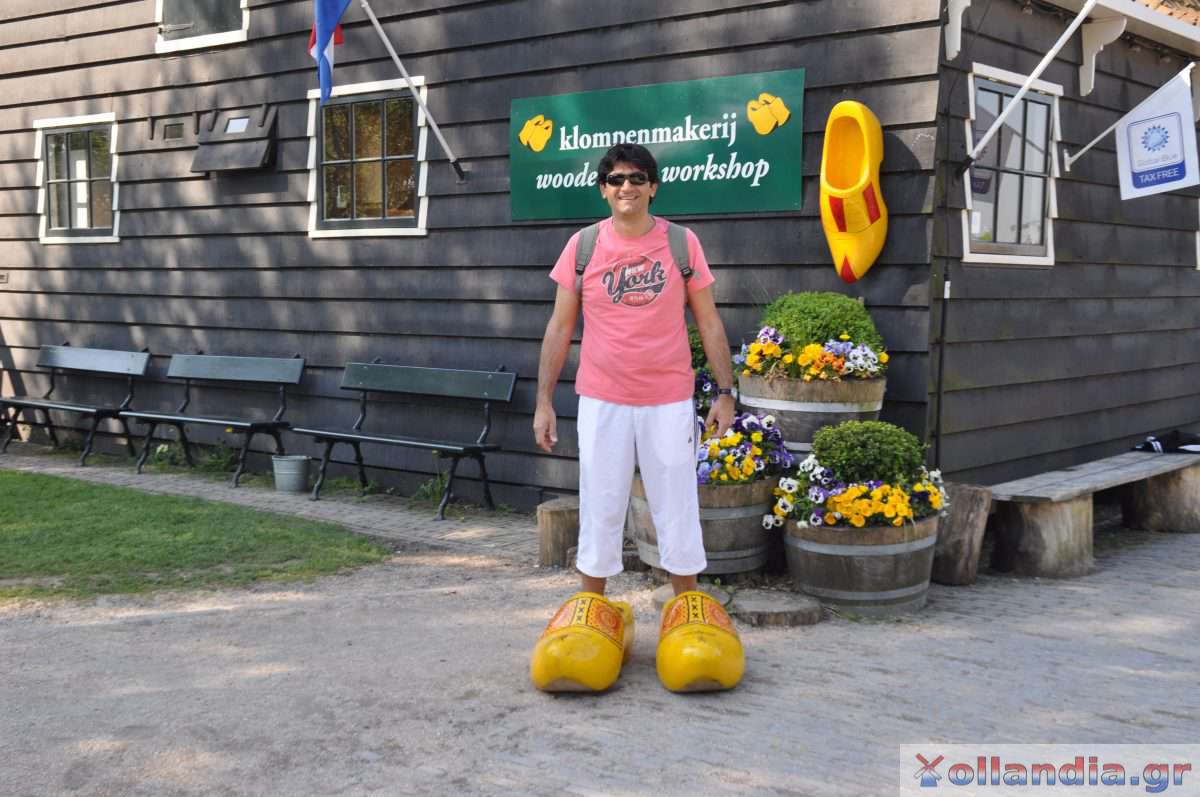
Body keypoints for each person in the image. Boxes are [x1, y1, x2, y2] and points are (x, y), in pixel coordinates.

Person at [529, 143, 744, 693]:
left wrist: (725, 392)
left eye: (637, 178)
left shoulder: (680, 243)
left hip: (668, 397)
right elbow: (559, 328)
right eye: (616, 178)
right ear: (603, 188)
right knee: (600, 500)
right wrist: (544, 400)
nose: (626, 187)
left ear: (653, 187)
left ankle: (687, 612)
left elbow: (709, 322)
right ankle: (591, 616)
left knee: (676, 502)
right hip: (603, 397)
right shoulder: (582, 247)